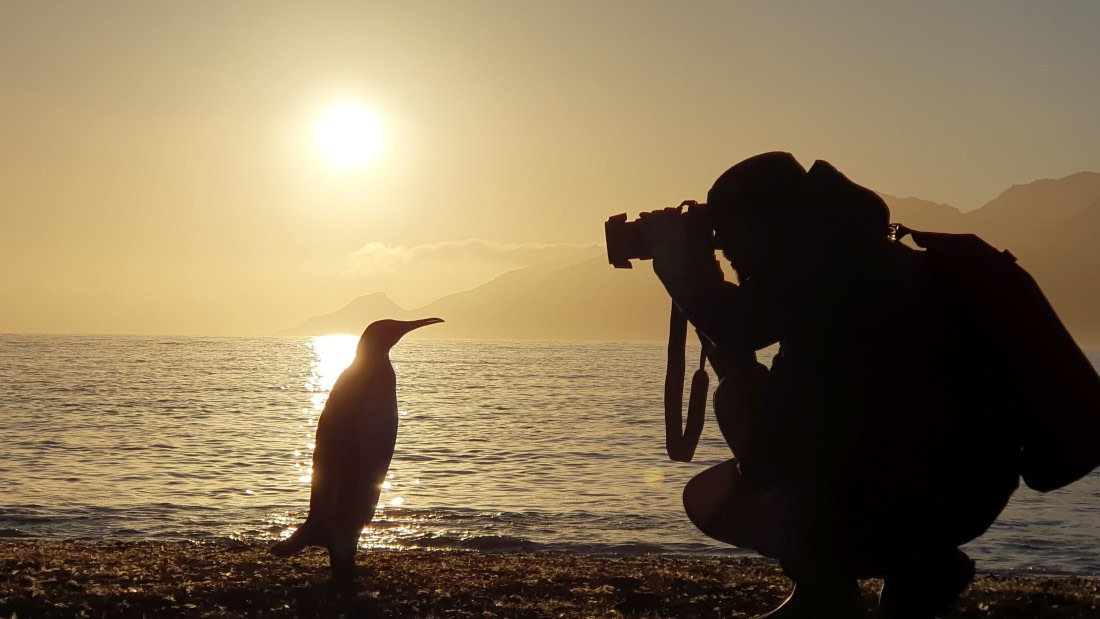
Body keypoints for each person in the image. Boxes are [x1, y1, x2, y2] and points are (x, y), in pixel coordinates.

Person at [639, 152, 1024, 618]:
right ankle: (916, 569)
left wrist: (683, 274)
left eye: (730, 233)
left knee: (743, 405)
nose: (727, 249)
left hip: (916, 490)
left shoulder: (826, 266)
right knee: (781, 424)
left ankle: (831, 588)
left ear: (769, 223)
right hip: (967, 484)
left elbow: (744, 337)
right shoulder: (860, 255)